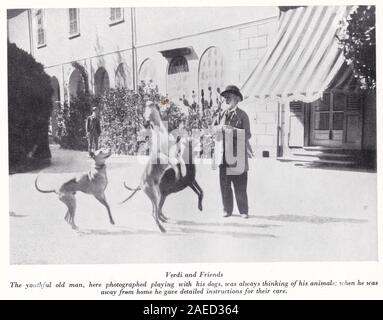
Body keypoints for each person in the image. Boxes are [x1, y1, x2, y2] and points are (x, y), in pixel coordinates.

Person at [213, 85, 251, 219]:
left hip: (238, 156)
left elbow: (247, 135)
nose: (226, 100)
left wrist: (230, 129)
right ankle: (227, 210)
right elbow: (215, 132)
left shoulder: (243, 115)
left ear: (236, 99)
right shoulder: (221, 115)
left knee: (240, 184)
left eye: (228, 97)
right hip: (224, 155)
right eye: (225, 98)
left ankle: (243, 210)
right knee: (225, 185)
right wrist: (216, 130)